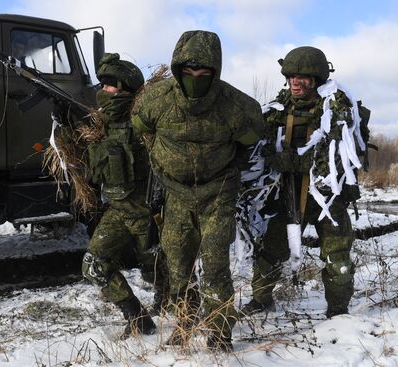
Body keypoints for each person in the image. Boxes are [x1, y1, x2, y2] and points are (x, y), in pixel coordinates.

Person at [132, 30, 264, 352]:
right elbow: (142, 129)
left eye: (203, 73)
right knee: (177, 264)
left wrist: (226, 168)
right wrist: (167, 162)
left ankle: (220, 333)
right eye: (188, 72)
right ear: (177, 70)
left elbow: (250, 142)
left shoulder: (237, 106)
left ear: (215, 72)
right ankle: (186, 321)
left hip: (217, 193)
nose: (195, 79)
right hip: (175, 193)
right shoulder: (156, 99)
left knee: (216, 263)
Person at [242, 46, 366, 319]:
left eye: (304, 77)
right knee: (270, 252)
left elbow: (337, 159)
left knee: (338, 259)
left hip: (326, 200)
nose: (296, 82)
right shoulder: (276, 110)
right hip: (286, 194)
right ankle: (261, 299)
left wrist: (293, 162)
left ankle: (338, 312)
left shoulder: (338, 111)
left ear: (318, 79)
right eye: (292, 76)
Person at [79, 53, 168, 338]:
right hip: (118, 210)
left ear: (126, 89)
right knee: (94, 264)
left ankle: (179, 310)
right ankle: (137, 316)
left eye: (110, 86)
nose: (104, 91)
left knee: (156, 272)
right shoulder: (101, 125)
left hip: (146, 213)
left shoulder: (145, 120)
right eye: (102, 85)